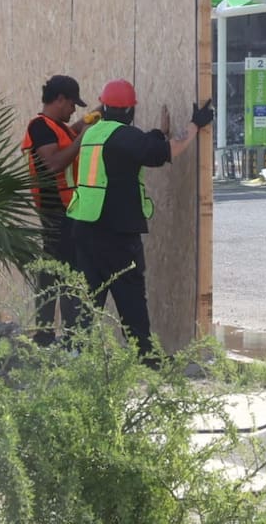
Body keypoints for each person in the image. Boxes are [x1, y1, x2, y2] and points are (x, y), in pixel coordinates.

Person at [66, 78, 213, 362]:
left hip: (85, 228)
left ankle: (78, 356)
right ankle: (147, 359)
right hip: (117, 233)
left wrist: (157, 133)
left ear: (104, 106)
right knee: (130, 297)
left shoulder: (93, 133)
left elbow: (133, 150)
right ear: (130, 111)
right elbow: (165, 152)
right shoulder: (124, 136)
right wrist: (196, 124)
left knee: (89, 297)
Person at [21, 74, 97, 346]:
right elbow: (54, 163)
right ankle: (70, 338)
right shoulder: (39, 126)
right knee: (66, 274)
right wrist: (83, 139)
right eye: (71, 104)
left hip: (65, 212)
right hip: (57, 213)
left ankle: (45, 335)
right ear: (59, 99)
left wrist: (97, 113)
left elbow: (72, 132)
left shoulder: (57, 127)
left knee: (51, 273)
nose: (73, 110)